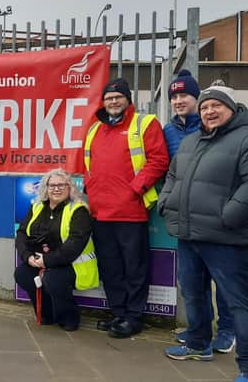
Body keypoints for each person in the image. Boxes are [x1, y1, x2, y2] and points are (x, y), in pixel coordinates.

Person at [159, 84, 248, 382]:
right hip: (189, 234)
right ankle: (198, 344)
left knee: (239, 302)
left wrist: (228, 216)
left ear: (232, 108)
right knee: (193, 294)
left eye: (216, 105)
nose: (209, 111)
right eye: (205, 107)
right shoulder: (193, 141)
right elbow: (173, 174)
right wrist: (166, 202)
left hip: (227, 239)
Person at [83, 77, 169, 338]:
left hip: (131, 211)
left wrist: (135, 189)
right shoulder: (95, 128)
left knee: (134, 267)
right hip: (100, 211)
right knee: (110, 267)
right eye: (109, 98)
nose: (113, 102)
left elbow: (159, 160)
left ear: (127, 99)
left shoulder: (145, 123)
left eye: (118, 97)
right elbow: (87, 163)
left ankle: (134, 316)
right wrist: (90, 189)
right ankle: (118, 313)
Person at [164, 72, 235, 353]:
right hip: (185, 218)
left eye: (185, 95)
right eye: (175, 97)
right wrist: (167, 200)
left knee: (224, 280)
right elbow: (169, 169)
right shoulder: (168, 131)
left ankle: (228, 332)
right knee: (194, 282)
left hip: (217, 218)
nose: (180, 101)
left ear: (197, 98)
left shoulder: (212, 128)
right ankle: (199, 331)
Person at [14, 168, 98, 331]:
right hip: (40, 260)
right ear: (45, 188)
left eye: (61, 185)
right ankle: (46, 314)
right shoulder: (37, 207)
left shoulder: (79, 209)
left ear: (70, 187)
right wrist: (28, 256)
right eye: (52, 185)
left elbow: (75, 243)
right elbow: (22, 233)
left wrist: (46, 261)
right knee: (22, 274)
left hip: (72, 264)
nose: (56, 189)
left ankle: (68, 318)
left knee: (52, 278)